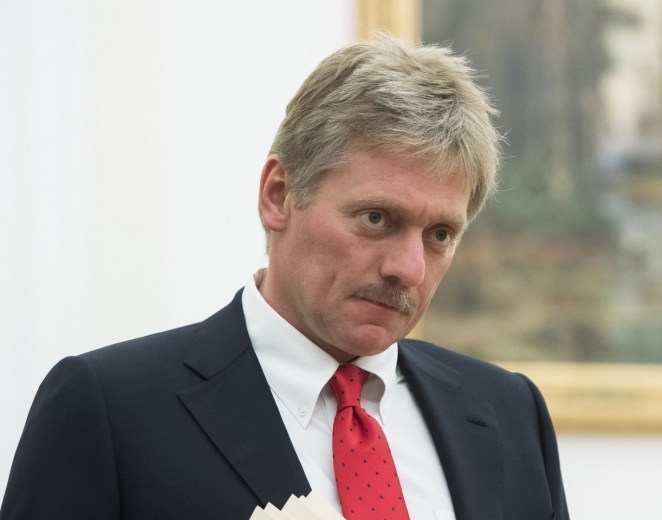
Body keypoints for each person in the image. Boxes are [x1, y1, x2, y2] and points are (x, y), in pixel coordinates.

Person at [0, 35, 568, 520]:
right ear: (279, 196)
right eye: (376, 218)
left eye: (440, 234)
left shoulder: (509, 413)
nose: (408, 267)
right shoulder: (110, 411)